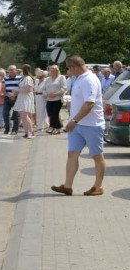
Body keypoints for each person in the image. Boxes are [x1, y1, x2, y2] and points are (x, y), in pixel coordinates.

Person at [51, 55, 106, 197]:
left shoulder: (89, 80)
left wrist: (73, 121)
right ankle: (67, 186)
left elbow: (89, 104)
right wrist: (74, 122)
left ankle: (97, 187)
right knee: (72, 154)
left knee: (97, 156)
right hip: (77, 125)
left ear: (73, 67)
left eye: (68, 68)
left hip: (92, 125)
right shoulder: (79, 79)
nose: (68, 71)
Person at [42, 64, 67, 134]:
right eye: (51, 70)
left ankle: (52, 127)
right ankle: (58, 126)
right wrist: (46, 94)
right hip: (49, 99)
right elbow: (43, 89)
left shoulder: (61, 77)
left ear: (57, 71)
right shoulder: (47, 79)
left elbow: (64, 88)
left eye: (54, 70)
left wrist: (56, 94)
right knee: (50, 114)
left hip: (58, 99)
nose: (52, 72)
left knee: (55, 114)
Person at [14, 64, 36, 138]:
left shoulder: (28, 78)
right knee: (22, 116)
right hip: (22, 97)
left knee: (25, 116)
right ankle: (27, 132)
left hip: (26, 98)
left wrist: (18, 90)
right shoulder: (24, 78)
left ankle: (31, 132)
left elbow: (28, 89)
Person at [2, 65, 22, 135]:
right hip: (7, 97)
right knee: (5, 113)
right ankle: (7, 128)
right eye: (9, 70)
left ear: (16, 70)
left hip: (17, 98)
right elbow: (3, 89)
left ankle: (15, 130)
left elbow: (20, 88)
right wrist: (9, 95)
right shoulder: (5, 78)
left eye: (12, 70)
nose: (11, 71)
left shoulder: (20, 78)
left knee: (16, 114)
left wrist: (15, 95)